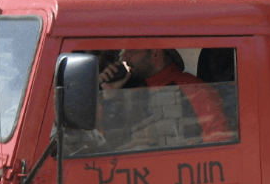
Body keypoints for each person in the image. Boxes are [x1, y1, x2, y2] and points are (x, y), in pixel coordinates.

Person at [99, 48, 231, 143]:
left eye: (132, 50)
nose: (124, 58)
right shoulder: (133, 94)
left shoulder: (193, 90)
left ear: (155, 52)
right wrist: (110, 94)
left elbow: (220, 140)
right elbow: (113, 142)